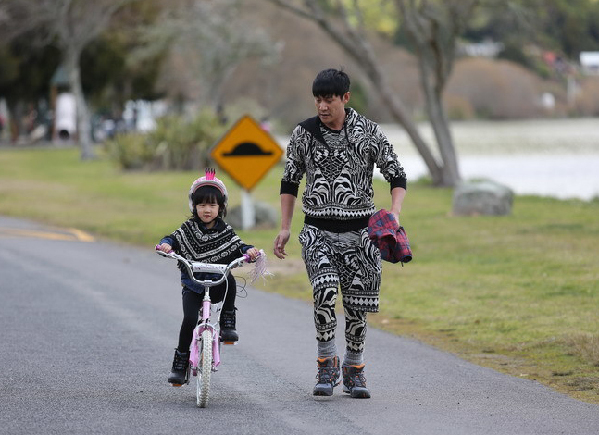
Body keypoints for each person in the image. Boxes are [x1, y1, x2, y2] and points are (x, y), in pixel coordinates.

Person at [273, 68, 407, 399]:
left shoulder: (369, 132)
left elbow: (397, 175)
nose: (322, 106)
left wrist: (394, 213)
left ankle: (355, 369)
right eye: (318, 99)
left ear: (345, 98)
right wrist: (286, 227)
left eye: (329, 99)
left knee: (357, 306)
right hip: (317, 230)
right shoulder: (303, 134)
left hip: (362, 235)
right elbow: (289, 181)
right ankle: (325, 364)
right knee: (325, 293)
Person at [157, 168, 259, 386]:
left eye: (212, 205)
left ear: (221, 207)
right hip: (193, 284)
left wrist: (249, 251)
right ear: (193, 206)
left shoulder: (225, 230)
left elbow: (238, 245)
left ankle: (228, 320)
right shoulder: (189, 228)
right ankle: (180, 362)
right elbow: (173, 238)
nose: (206, 209)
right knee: (188, 320)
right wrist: (167, 245)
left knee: (230, 279)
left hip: (217, 283)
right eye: (201, 205)